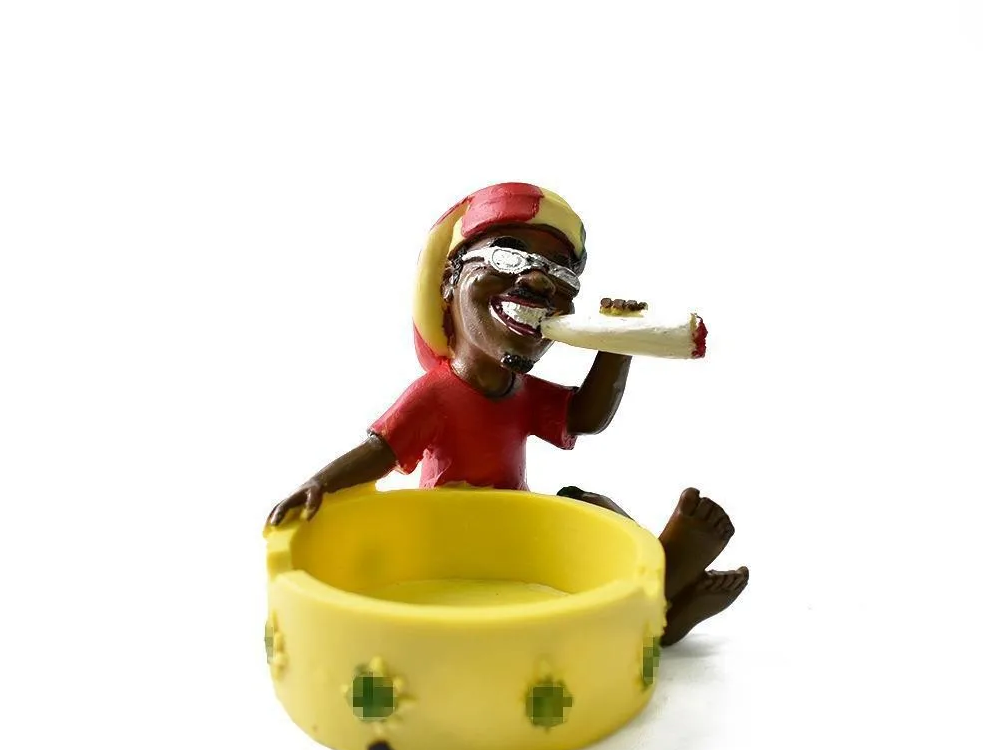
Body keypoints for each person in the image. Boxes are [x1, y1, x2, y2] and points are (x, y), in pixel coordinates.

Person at [267, 183, 747, 644]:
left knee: (586, 503)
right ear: (450, 285)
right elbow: (381, 451)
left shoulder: (520, 390)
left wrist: (618, 343)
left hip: (514, 526)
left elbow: (584, 416)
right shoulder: (436, 395)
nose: (538, 281)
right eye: (508, 256)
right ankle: (664, 586)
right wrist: (320, 483)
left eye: (558, 275)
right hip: (450, 538)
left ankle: (664, 597)